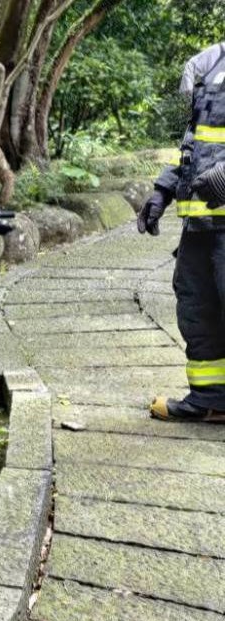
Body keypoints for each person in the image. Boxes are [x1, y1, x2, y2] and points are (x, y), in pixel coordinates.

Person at [138, 41, 225, 423]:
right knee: (196, 306)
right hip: (200, 225)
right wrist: (163, 190)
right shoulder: (212, 64)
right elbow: (194, 138)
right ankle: (211, 400)